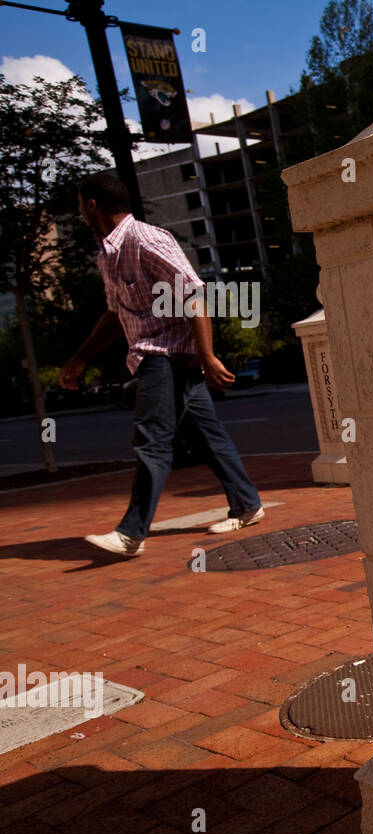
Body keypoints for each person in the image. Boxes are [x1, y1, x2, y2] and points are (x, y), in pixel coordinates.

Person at [59, 172, 264, 557]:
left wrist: (207, 356)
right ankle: (247, 504)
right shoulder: (107, 253)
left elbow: (194, 294)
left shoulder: (146, 239)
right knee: (208, 438)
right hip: (158, 355)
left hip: (166, 356)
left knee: (152, 440)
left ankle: (131, 533)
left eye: (79, 204)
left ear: (91, 205)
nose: (79, 212)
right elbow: (114, 314)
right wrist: (80, 358)